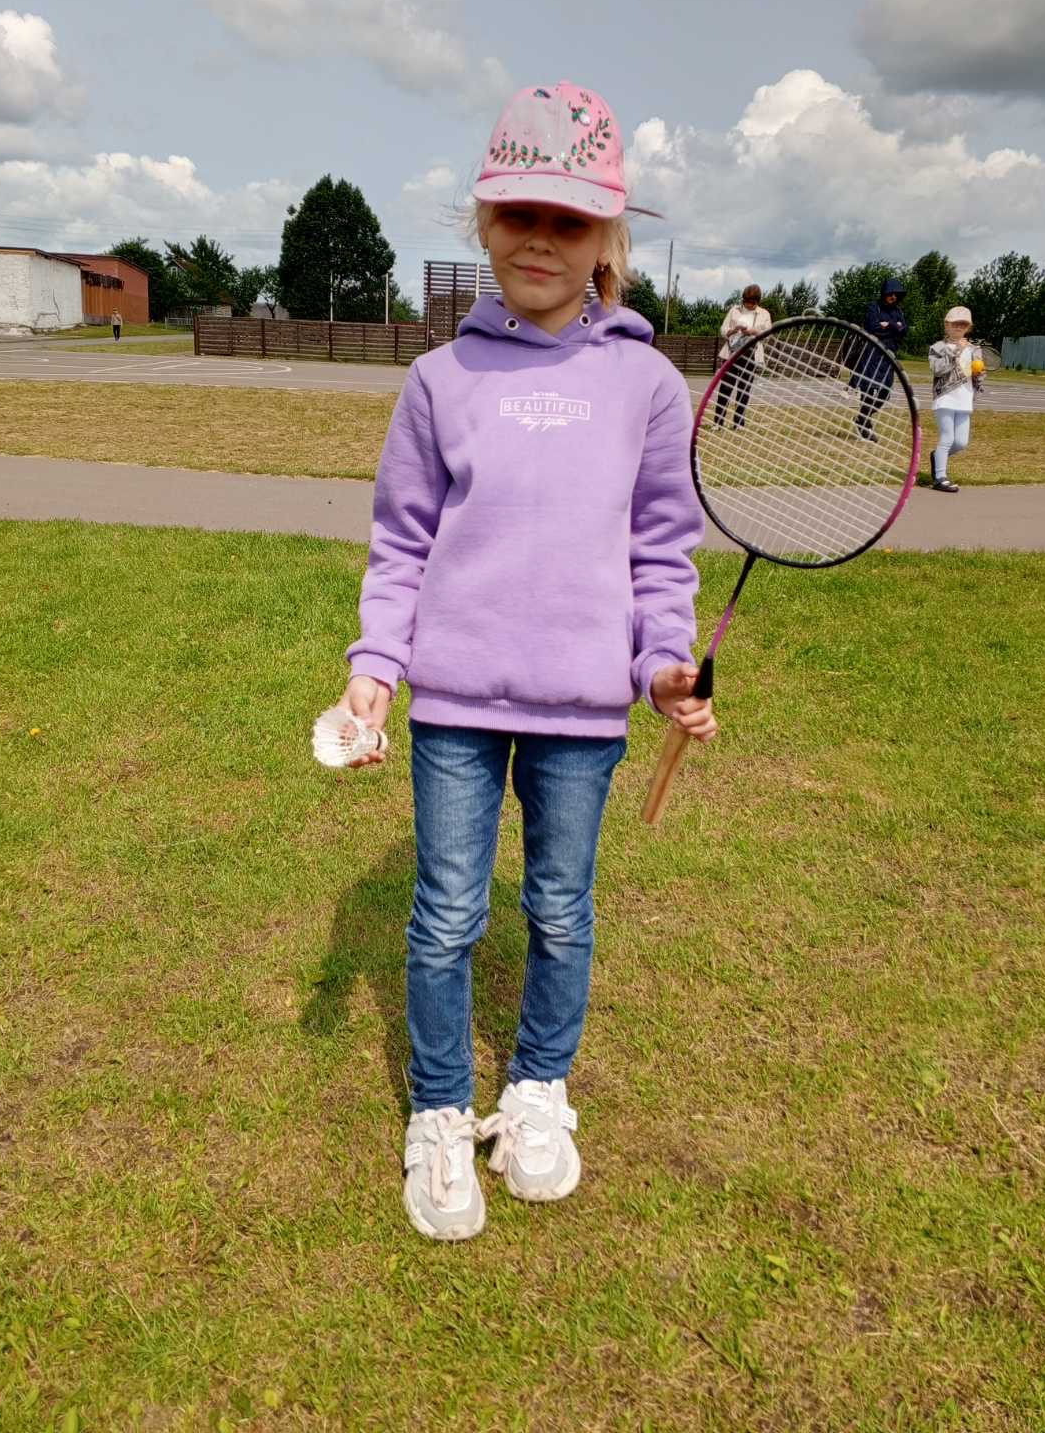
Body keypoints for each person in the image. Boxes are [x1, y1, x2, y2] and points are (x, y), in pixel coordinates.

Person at [329, 81, 716, 1242]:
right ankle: (442, 1109)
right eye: (519, 215)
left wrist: (664, 665)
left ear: (607, 237)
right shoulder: (439, 381)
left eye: (569, 219)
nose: (541, 240)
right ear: (484, 221)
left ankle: (539, 1088)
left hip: (583, 716)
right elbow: (401, 542)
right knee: (447, 913)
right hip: (451, 706)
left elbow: (662, 549)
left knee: (559, 907)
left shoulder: (648, 386)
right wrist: (375, 666)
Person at [928, 304, 984, 494]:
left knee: (960, 442)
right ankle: (940, 477)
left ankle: (937, 456)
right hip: (945, 398)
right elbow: (938, 369)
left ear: (968, 327)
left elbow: (978, 375)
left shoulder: (974, 349)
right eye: (955, 324)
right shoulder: (938, 347)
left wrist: (979, 374)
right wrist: (956, 351)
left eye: (963, 324)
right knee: (947, 437)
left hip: (964, 399)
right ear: (947, 325)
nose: (959, 327)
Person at [851, 277, 907, 440]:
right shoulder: (873, 307)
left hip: (888, 356)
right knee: (868, 391)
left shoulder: (898, 311)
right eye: (891, 293)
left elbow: (904, 330)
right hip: (871, 354)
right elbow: (873, 328)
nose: (893, 297)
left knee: (885, 392)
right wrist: (893, 326)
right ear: (884, 293)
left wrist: (887, 325)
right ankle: (865, 426)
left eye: (896, 294)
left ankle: (862, 418)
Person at [713, 284, 771, 429]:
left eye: (752, 302)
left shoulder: (764, 314)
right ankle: (718, 423)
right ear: (743, 299)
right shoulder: (734, 310)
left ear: (758, 301)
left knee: (744, 390)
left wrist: (753, 331)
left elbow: (768, 335)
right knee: (725, 388)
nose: (749, 305)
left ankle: (739, 423)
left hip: (751, 354)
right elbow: (723, 330)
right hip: (731, 353)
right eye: (746, 301)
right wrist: (734, 329)